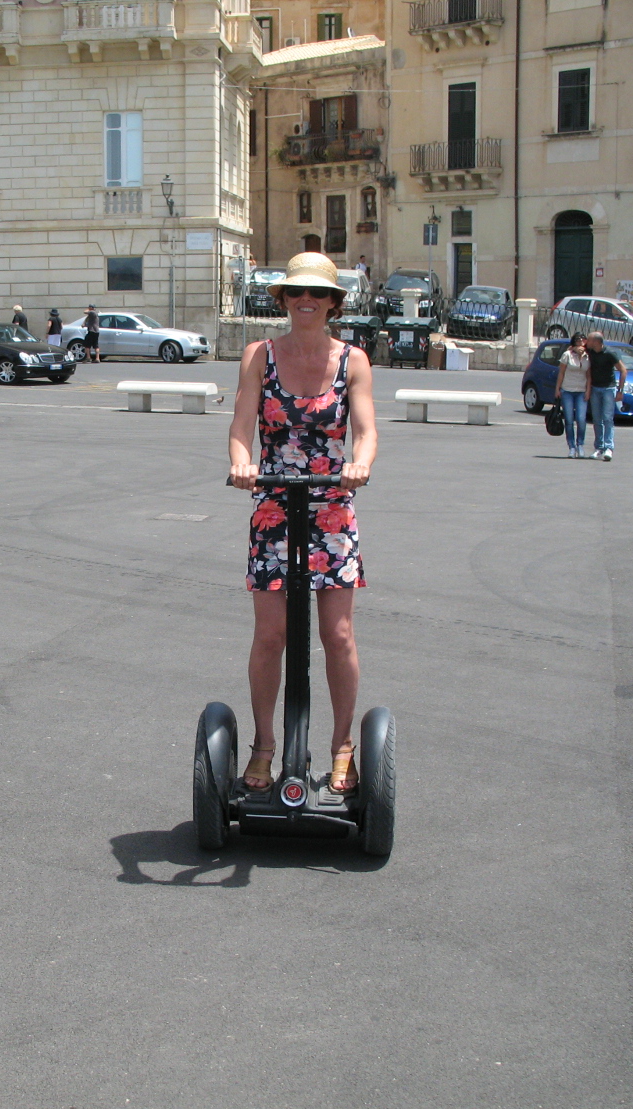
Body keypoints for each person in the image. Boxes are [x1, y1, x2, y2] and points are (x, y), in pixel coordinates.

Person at [227, 252, 377, 796]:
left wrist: (360, 461)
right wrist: (242, 462)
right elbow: (242, 426)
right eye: (295, 293)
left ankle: (342, 746)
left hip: (332, 504)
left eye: (317, 293)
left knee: (337, 634)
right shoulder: (257, 356)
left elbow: (366, 428)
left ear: (334, 302)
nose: (306, 300)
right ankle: (265, 745)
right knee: (270, 635)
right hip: (272, 502)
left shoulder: (353, 359)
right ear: (285, 300)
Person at [585, 332, 626, 462]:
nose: (587, 342)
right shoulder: (590, 352)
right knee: (597, 419)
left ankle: (609, 448)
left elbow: (623, 370)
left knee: (608, 418)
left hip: (608, 388)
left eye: (590, 340)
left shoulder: (609, 353)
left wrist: (620, 390)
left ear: (596, 342)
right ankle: (599, 447)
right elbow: (574, 348)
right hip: (595, 388)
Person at [554, 332, 590, 458]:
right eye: (578, 340)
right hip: (567, 390)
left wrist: (588, 391)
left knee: (581, 419)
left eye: (582, 340)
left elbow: (589, 376)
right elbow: (561, 373)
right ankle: (571, 447)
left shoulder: (588, 356)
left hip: (581, 390)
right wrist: (557, 389)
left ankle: (580, 445)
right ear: (574, 342)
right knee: (569, 420)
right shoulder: (567, 355)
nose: (580, 342)